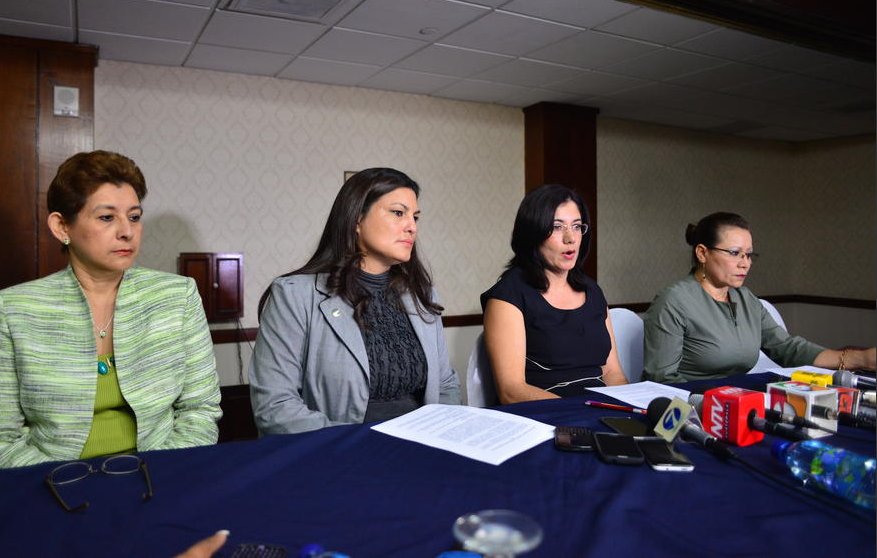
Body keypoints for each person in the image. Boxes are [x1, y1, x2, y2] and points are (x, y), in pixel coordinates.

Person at [0, 150, 221, 470]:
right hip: (55, 490)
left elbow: (200, 412)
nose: (126, 231)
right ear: (62, 227)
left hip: (160, 480)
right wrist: (65, 486)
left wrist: (155, 477)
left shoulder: (177, 296)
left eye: (134, 216)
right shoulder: (14, 309)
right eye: (106, 217)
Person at [249, 167, 460, 435]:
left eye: (415, 217)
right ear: (356, 220)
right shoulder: (293, 295)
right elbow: (275, 407)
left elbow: (445, 385)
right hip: (341, 453)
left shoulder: (422, 294)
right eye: (398, 213)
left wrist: (446, 435)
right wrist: (365, 444)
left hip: (424, 445)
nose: (412, 227)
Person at [643, 212, 876, 383]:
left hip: (740, 400)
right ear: (702, 252)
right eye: (734, 253)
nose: (745, 263)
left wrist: (862, 359)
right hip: (694, 408)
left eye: (748, 254)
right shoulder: (674, 301)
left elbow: (788, 349)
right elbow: (662, 379)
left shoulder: (745, 299)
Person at [480, 184, 627, 403]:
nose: (570, 238)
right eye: (557, 227)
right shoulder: (509, 295)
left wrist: (629, 409)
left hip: (600, 412)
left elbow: (612, 373)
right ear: (533, 233)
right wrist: (580, 411)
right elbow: (511, 390)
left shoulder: (592, 290)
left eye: (577, 227)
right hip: (547, 416)